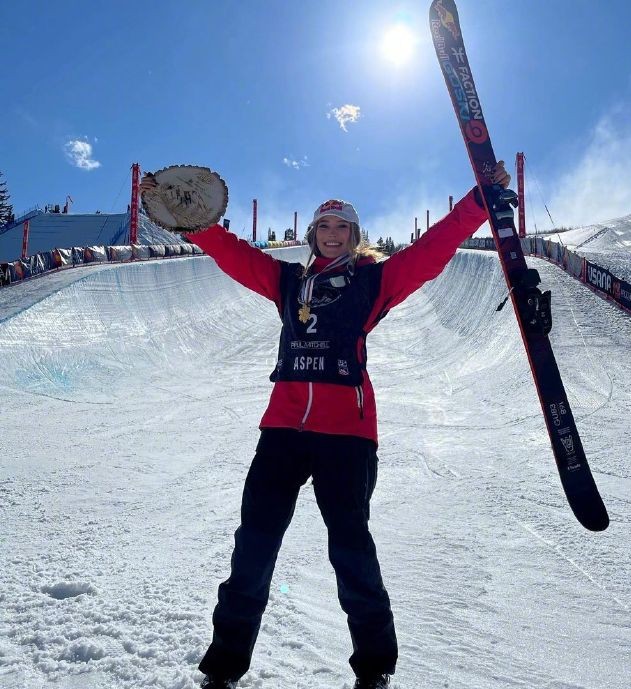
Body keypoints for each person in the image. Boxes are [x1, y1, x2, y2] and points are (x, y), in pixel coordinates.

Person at [141, 163, 510, 689]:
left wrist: (476, 203)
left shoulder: (373, 283)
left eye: (342, 228)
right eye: (324, 227)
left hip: (347, 436)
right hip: (283, 431)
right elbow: (236, 255)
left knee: (351, 551)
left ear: (355, 236)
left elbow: (430, 252)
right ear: (313, 234)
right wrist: (189, 218)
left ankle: (374, 668)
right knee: (253, 548)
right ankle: (222, 669)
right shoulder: (289, 283)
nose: (332, 235)